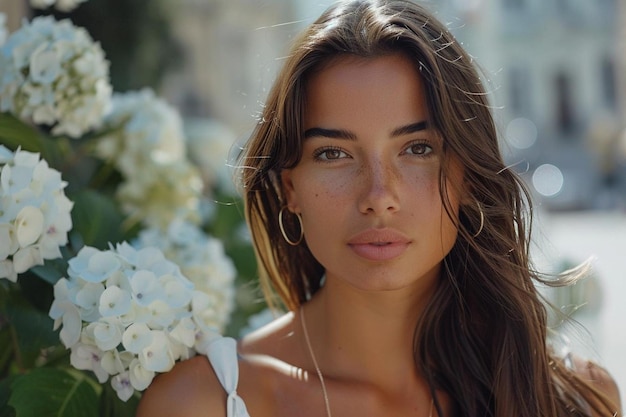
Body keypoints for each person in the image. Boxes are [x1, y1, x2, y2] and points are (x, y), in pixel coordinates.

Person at [137, 0, 622, 416]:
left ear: (467, 178)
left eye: (417, 148)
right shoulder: (205, 402)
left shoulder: (569, 400)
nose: (378, 196)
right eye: (334, 154)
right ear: (290, 188)